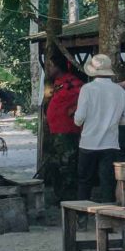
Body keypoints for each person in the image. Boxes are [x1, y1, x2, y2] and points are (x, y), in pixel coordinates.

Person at [73, 54, 125, 204]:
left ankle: (82, 218)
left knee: (84, 181)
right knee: (107, 183)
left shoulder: (87, 89)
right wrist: (114, 122)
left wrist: (81, 121)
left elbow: (79, 118)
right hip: (110, 144)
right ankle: (108, 220)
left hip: (88, 143)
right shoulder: (119, 90)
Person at [42, 53, 84, 200]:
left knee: (67, 165)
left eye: (50, 66)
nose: (48, 69)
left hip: (67, 131)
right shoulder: (57, 83)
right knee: (55, 165)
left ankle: (70, 198)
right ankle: (60, 196)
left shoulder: (74, 82)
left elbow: (85, 100)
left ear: (57, 67)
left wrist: (75, 109)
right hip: (55, 132)